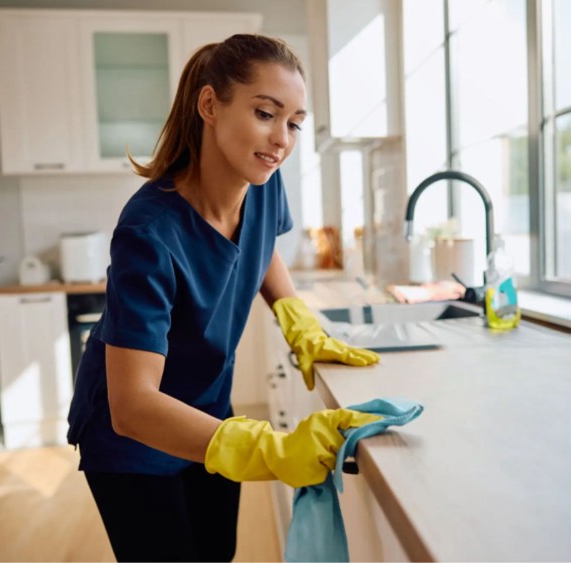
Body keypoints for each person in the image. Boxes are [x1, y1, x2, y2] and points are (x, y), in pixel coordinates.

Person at [66, 33, 381, 563]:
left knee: (217, 553)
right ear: (210, 105)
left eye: (295, 122)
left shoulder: (262, 181)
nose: (282, 138)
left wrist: (295, 318)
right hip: (134, 442)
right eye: (266, 113)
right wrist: (272, 448)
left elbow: (261, 251)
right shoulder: (149, 232)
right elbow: (133, 406)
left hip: (210, 411)